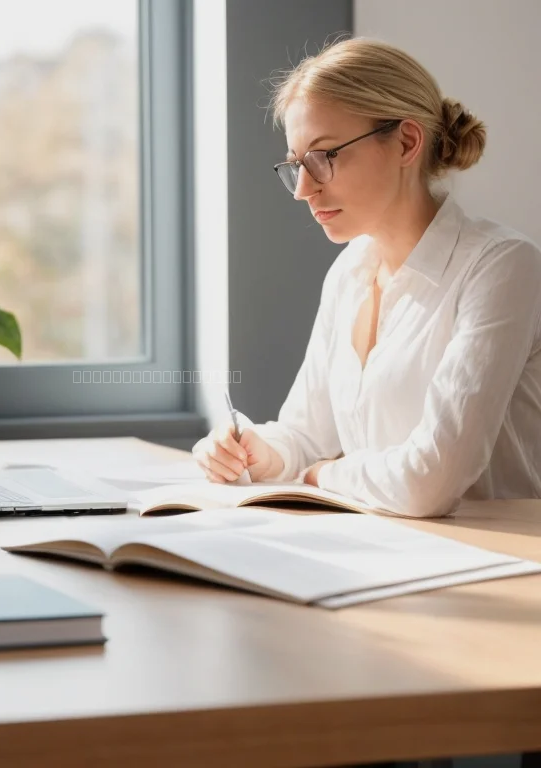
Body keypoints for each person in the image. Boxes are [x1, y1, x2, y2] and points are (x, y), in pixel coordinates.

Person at [192, 36, 541, 518]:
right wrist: (254, 451)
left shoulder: (502, 267)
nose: (302, 189)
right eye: (296, 164)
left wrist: (323, 475)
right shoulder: (349, 273)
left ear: (406, 142)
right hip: (386, 546)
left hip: (497, 556)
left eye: (324, 156)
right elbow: (306, 435)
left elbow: (430, 482)